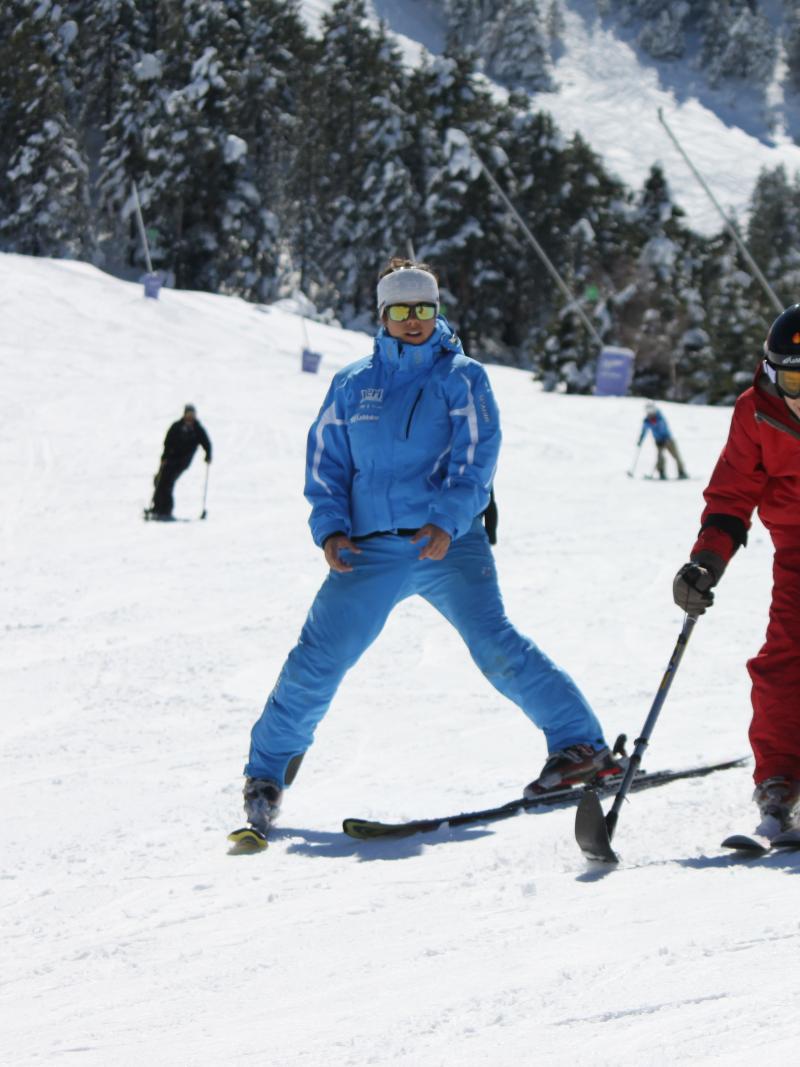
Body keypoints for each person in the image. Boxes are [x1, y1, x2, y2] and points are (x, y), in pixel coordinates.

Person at [239, 257, 615, 834]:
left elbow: (477, 458)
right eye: (402, 311)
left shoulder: (462, 377)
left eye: (425, 310)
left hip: (449, 543)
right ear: (383, 315)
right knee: (318, 659)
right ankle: (266, 773)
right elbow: (327, 462)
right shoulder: (352, 383)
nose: (414, 322)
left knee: (495, 644)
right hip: (369, 550)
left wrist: (446, 520)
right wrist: (331, 527)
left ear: (436, 313)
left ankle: (580, 747)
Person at [673, 304, 800, 838]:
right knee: (782, 661)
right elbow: (732, 494)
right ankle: (779, 780)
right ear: (772, 372)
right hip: (797, 549)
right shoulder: (755, 413)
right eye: (795, 377)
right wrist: (707, 560)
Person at [146, 404, 211, 520]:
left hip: (183, 461)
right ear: (184, 414)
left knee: (168, 481)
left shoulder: (197, 429)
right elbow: (167, 442)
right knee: (159, 479)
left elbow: (206, 443)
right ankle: (157, 507)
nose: (190, 417)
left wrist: (208, 455)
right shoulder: (176, 426)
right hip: (170, 458)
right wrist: (164, 457)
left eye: (192, 415)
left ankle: (166, 510)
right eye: (188, 414)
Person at [637, 401, 688, 480]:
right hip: (658, 441)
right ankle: (661, 473)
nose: (650, 413)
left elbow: (663, 428)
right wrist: (641, 439)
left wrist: (663, 439)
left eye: (651, 411)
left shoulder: (659, 417)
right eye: (648, 411)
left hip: (668, 440)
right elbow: (644, 431)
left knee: (676, 456)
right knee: (660, 457)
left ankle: (682, 472)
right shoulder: (647, 420)